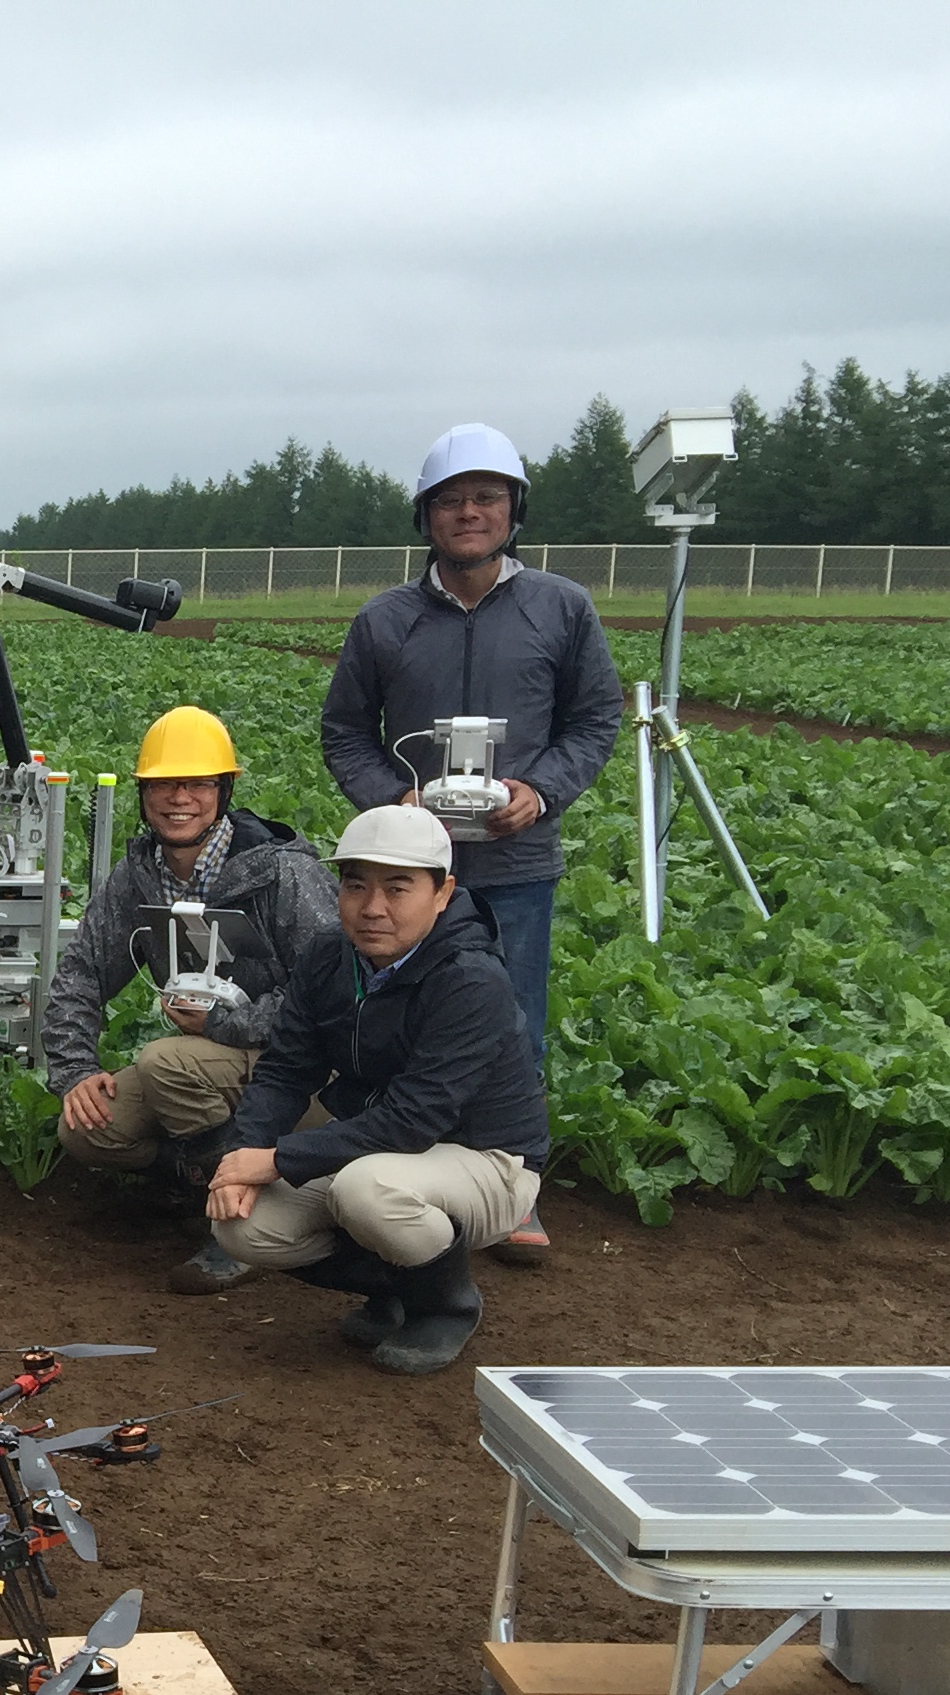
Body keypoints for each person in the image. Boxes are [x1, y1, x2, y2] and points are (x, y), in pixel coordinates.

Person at [319, 422, 622, 1268]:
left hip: (513, 865)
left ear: (513, 512)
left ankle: (510, 1187)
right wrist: (394, 803)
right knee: (395, 1019)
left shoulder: (560, 608)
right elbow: (344, 731)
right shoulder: (386, 621)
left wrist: (543, 790)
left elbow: (596, 719)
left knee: (513, 1025)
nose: (469, 513)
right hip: (405, 874)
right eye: (451, 500)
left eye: (486, 498)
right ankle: (403, 1169)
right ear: (426, 518)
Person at [203, 805, 549, 1377]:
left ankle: (445, 1305)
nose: (373, 908)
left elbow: (413, 1119)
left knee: (369, 1189)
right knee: (241, 1227)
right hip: (382, 1149)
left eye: (398, 888)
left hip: (488, 1159)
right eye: (356, 885)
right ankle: (396, 1290)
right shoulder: (329, 956)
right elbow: (287, 1069)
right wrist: (240, 1157)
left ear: (443, 893)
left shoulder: (470, 978)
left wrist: (276, 1158)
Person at [44, 705, 342, 1293]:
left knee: (167, 1062)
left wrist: (225, 1023)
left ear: (224, 789)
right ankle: (204, 1176)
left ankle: (247, 1223)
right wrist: (74, 1069)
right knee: (87, 1128)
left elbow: (332, 995)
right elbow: (80, 972)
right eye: (162, 784)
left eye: (198, 783)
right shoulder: (139, 876)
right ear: (143, 793)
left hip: (302, 1071)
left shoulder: (282, 873)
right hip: (208, 1066)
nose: (179, 798)